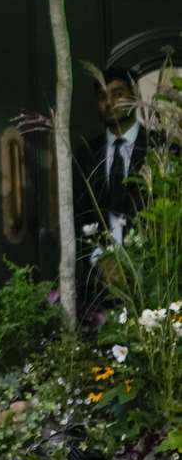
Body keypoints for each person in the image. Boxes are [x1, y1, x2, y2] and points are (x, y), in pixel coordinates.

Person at [74, 66, 155, 305]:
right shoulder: (85, 155)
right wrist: (101, 260)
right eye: (102, 96)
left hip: (156, 282)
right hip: (100, 289)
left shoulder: (162, 148)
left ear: (135, 94)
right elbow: (78, 217)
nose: (109, 102)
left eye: (117, 93)